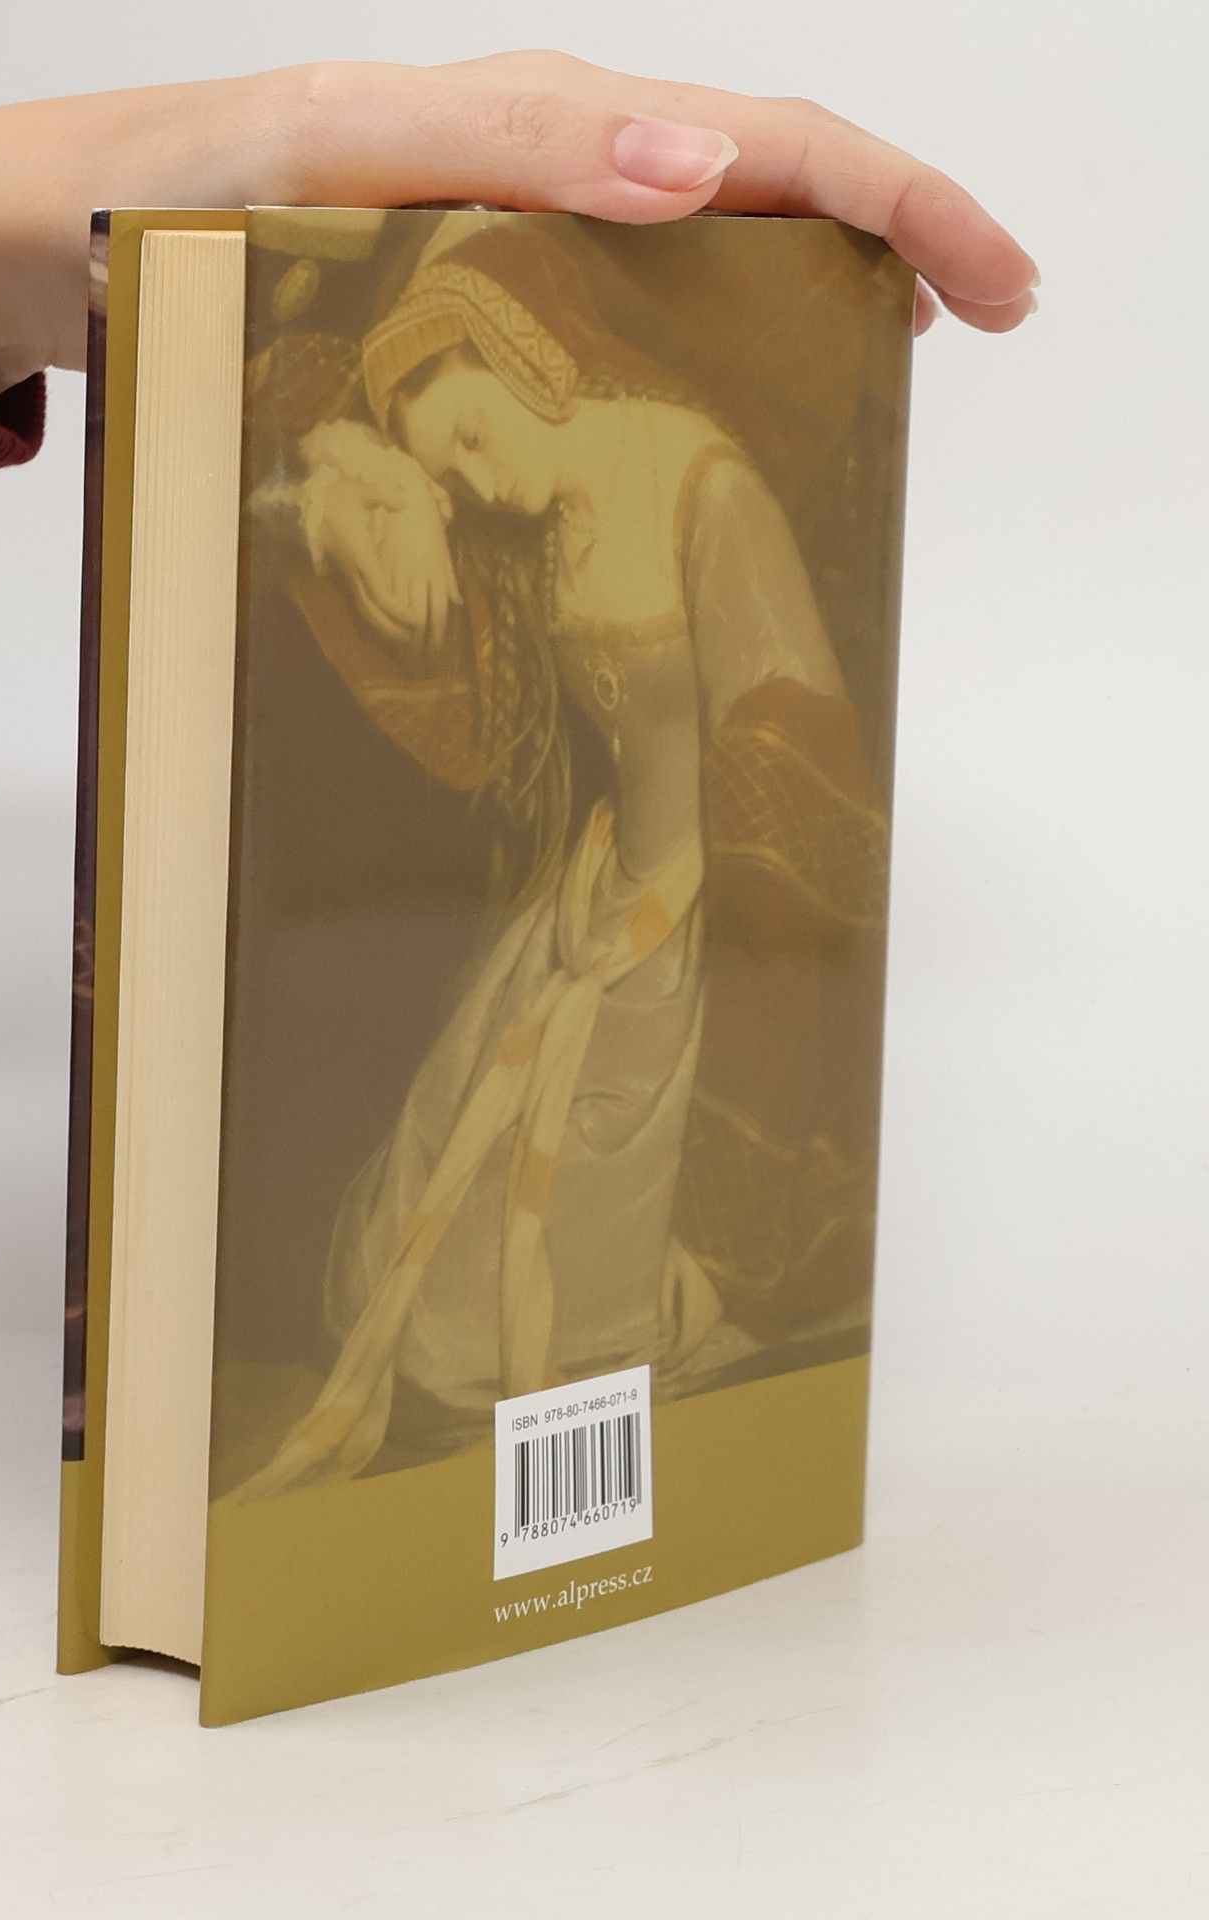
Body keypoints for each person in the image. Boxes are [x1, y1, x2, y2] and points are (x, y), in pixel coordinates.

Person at [0, 54, 1035, 836]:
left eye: (464, 432)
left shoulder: (688, 484)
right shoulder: (509, 544)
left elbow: (781, 747)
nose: (469, 486)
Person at [233, 217, 901, 1494]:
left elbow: (791, 775)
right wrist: (351, 488)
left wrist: (690, 930)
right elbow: (483, 708)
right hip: (595, 897)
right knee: (434, 1213)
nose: (482, 486)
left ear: (532, 359)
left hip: (701, 923)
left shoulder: (710, 491)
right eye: (452, 472)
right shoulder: (542, 523)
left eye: (475, 436)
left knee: (564, 1265)